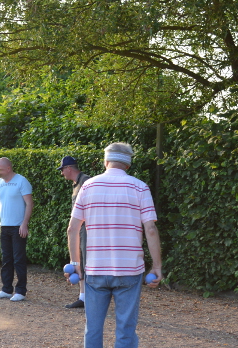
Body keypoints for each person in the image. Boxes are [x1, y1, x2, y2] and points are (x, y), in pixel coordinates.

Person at [67, 143, 163, 347]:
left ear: (106, 161)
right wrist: (157, 267)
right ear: (128, 165)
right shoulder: (140, 187)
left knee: (92, 328)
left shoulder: (88, 186)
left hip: (95, 269)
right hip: (129, 270)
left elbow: (72, 229)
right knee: (126, 329)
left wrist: (75, 261)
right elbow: (151, 230)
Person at [0, 157, 33, 302]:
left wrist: (24, 223)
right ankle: (6, 289)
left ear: (8, 168)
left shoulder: (21, 181)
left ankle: (20, 291)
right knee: (6, 259)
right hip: (4, 226)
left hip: (18, 227)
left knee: (19, 259)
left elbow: (29, 203)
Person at [58, 155, 90, 309]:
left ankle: (92, 297)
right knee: (82, 261)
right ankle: (83, 297)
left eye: (62, 170)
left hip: (88, 228)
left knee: (87, 261)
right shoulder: (76, 184)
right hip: (80, 228)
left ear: (69, 168)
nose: (62, 173)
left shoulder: (86, 182)